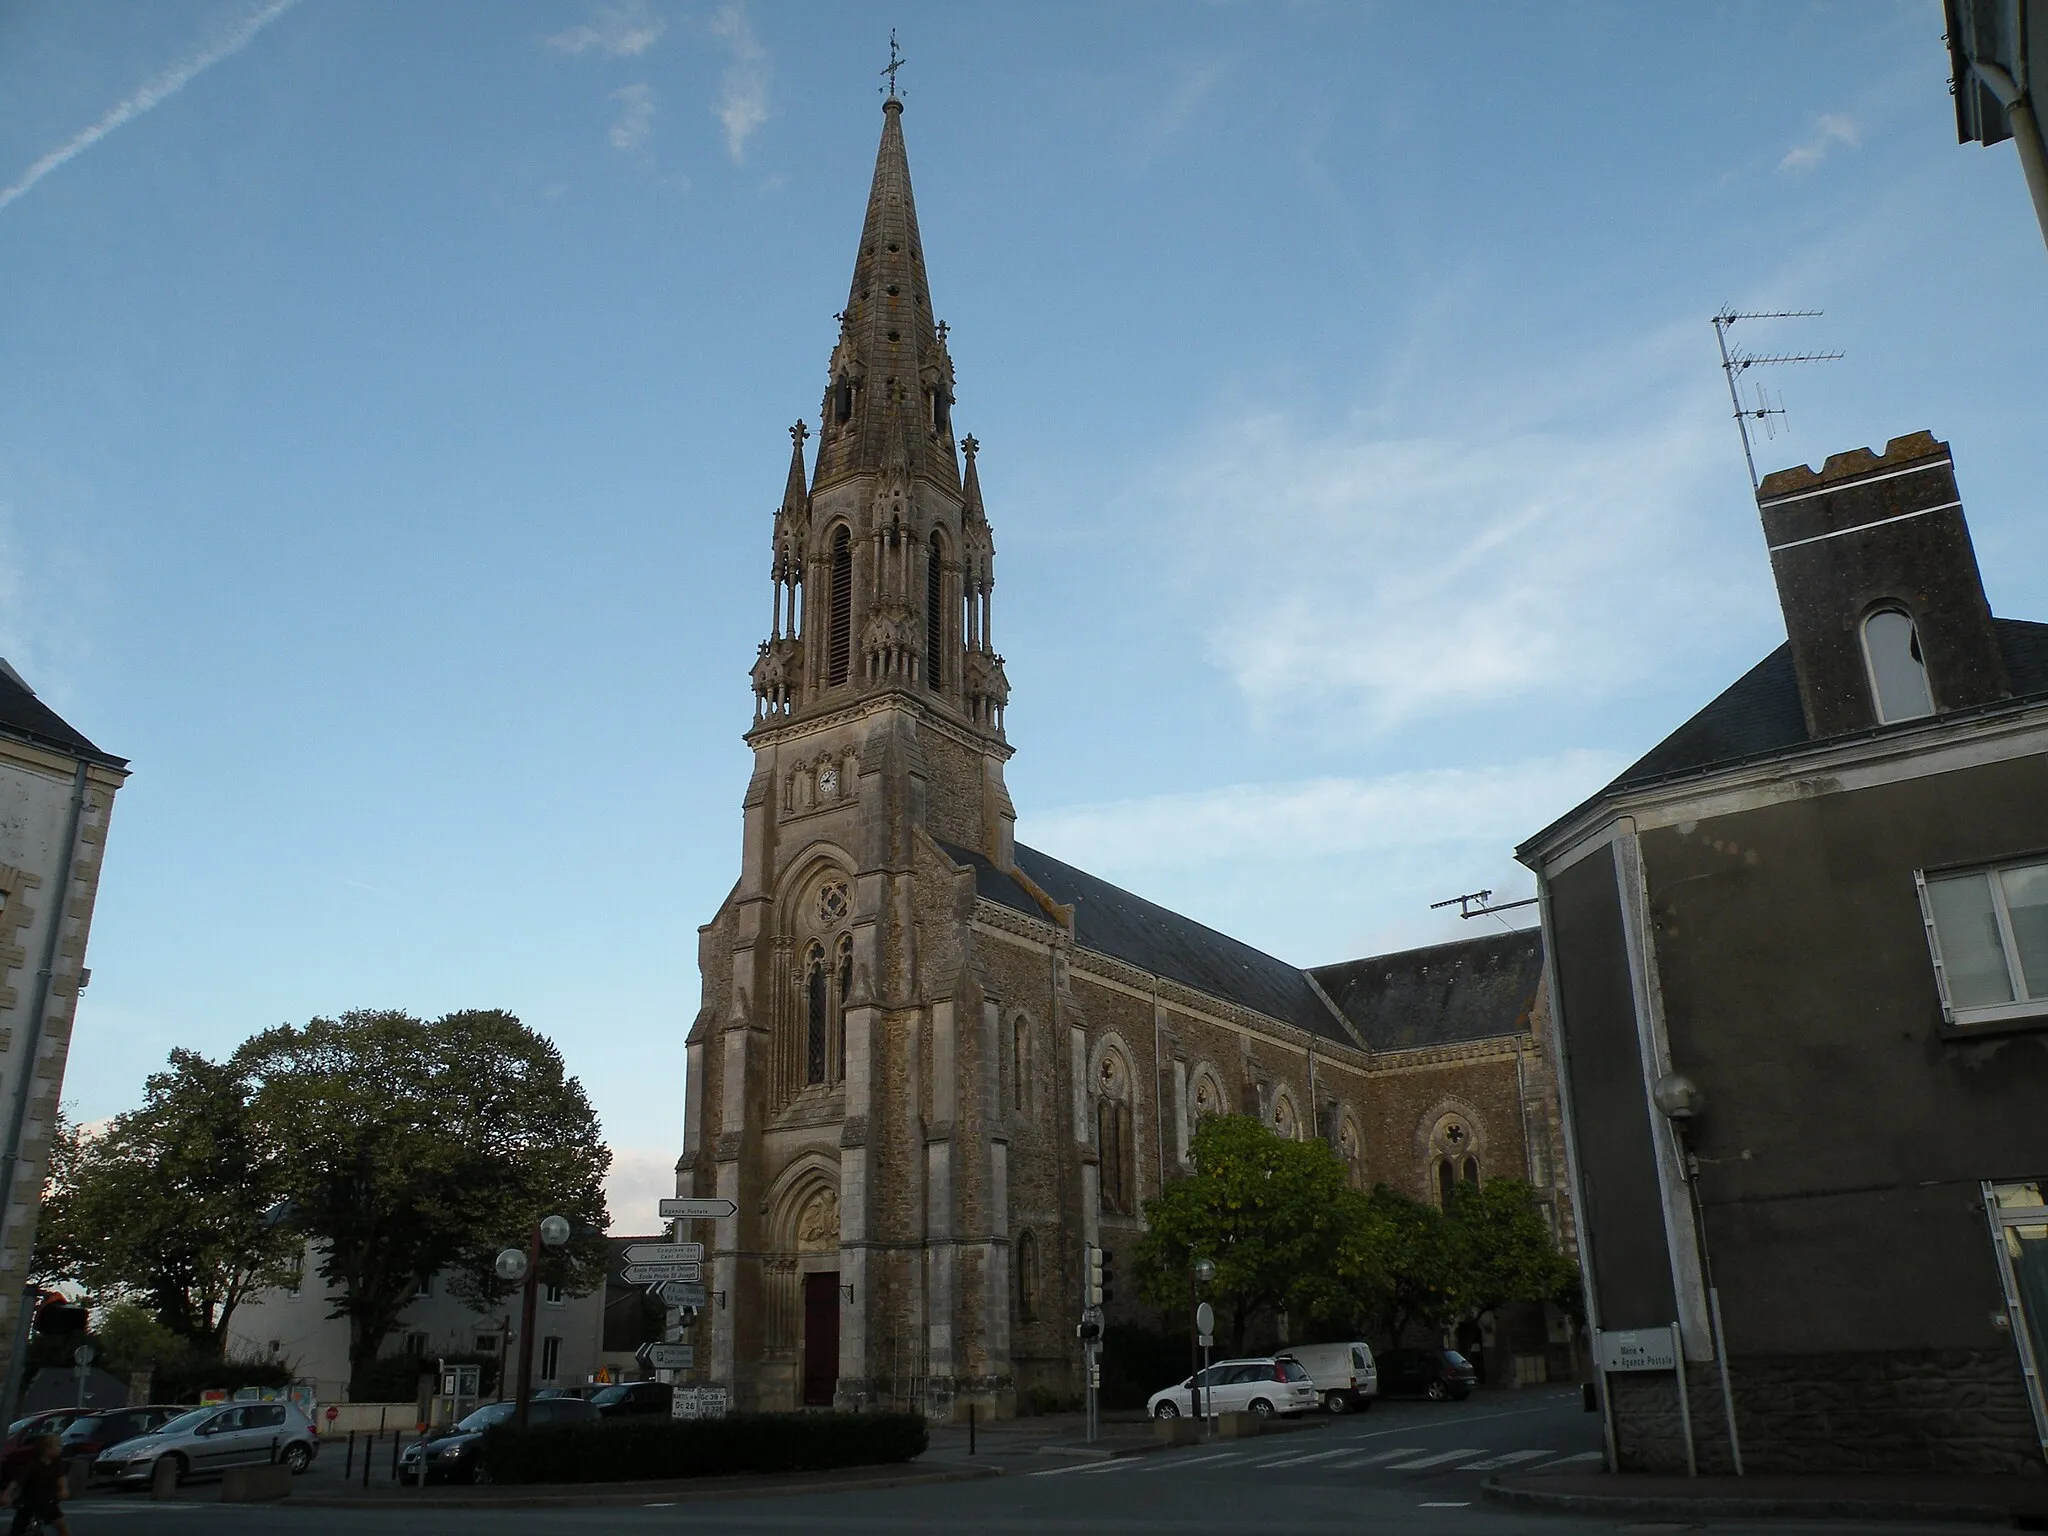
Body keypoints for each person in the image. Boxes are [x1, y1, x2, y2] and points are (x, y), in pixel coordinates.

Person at [0, 1433, 70, 1536]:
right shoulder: (32, 1464)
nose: (60, 1448)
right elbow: (17, 1481)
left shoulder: (57, 1463)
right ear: (46, 1449)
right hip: (29, 1501)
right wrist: (6, 1495)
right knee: (17, 1528)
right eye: (57, 1446)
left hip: (48, 1500)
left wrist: (64, 1489)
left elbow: (61, 1478)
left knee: (62, 1526)